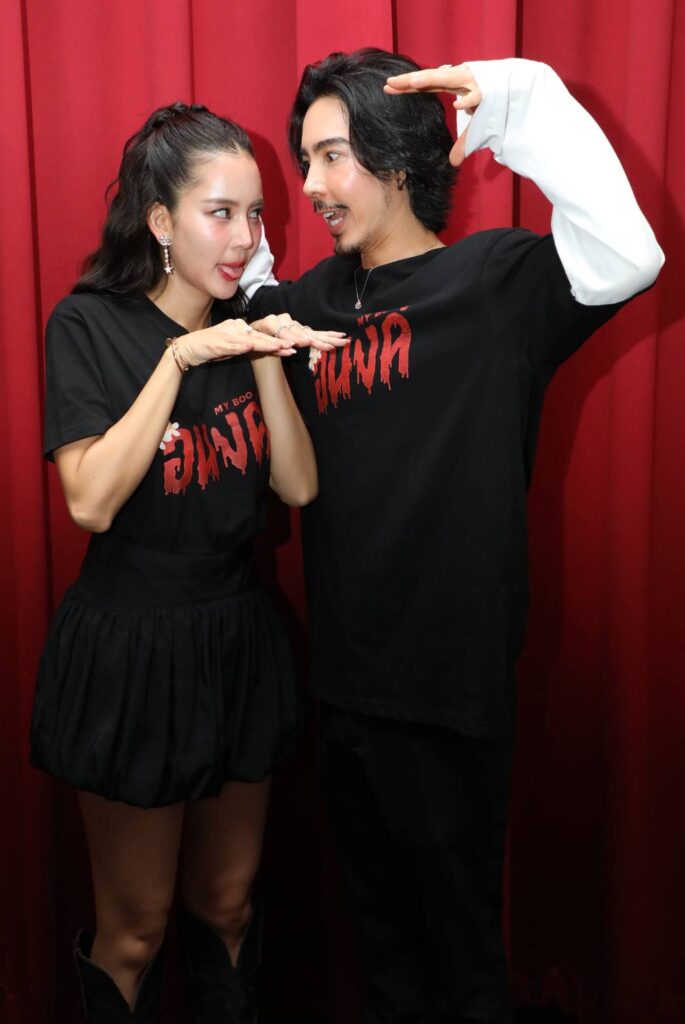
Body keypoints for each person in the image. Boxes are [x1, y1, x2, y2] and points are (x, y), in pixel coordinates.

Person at [246, 51, 665, 1022]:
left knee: (462, 964)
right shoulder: (313, 303)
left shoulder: (492, 284)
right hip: (342, 692)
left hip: (448, 698)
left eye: (332, 156)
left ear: (395, 160)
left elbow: (627, 255)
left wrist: (518, 97)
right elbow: (254, 297)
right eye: (304, 160)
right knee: (383, 961)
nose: (310, 186)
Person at [30, 101, 347, 1023]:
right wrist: (178, 360)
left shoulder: (248, 316)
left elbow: (296, 486)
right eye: (222, 213)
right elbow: (89, 501)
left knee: (228, 905)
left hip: (234, 635)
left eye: (256, 214)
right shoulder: (87, 326)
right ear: (161, 221)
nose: (246, 237)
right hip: (130, 645)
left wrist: (261, 342)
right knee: (136, 926)